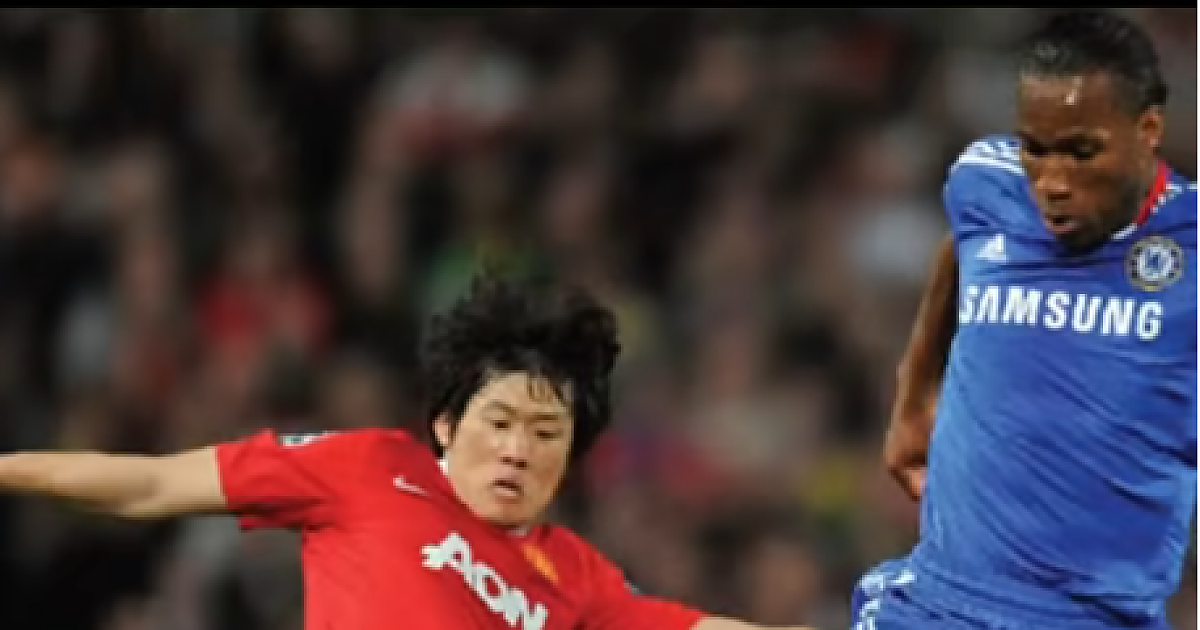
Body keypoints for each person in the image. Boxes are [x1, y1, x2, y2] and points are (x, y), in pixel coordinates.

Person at [0, 272, 816, 630]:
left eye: (546, 435)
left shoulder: (580, 578)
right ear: (446, 426)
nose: (517, 450)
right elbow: (147, 484)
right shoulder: (366, 467)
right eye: (499, 421)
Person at [852, 9, 1196, 630]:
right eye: (1036, 149)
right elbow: (960, 249)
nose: (1053, 182)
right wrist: (914, 397)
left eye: (1081, 152)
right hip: (937, 603)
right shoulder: (987, 181)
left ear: (1147, 129)